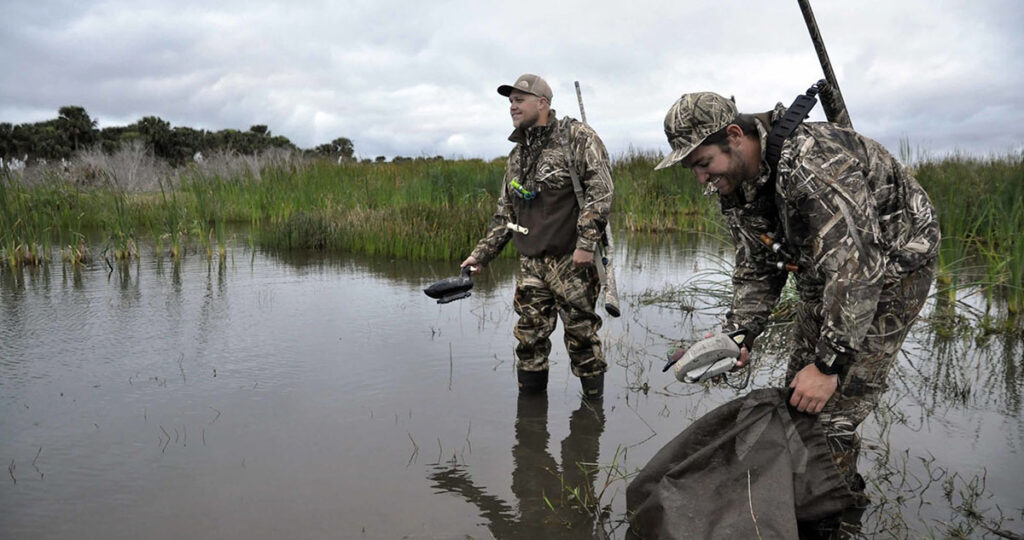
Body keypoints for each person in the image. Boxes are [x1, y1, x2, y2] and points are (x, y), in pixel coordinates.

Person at [654, 91, 940, 509]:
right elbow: (757, 265)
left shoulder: (813, 164)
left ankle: (835, 515)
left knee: (830, 411)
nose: (701, 179)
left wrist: (829, 364)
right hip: (821, 269)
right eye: (691, 169)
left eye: (703, 163)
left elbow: (857, 269)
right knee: (797, 398)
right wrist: (740, 334)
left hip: (892, 270)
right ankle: (804, 498)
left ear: (734, 136)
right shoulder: (737, 185)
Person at [460, 73, 615, 400]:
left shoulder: (577, 137)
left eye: (520, 100)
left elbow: (601, 191)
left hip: (572, 261)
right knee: (529, 341)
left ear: (542, 103)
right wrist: (481, 255)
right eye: (510, 101)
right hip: (531, 264)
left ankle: (592, 422)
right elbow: (506, 213)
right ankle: (530, 428)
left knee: (582, 340)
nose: (512, 107)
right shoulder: (517, 154)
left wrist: (586, 245)